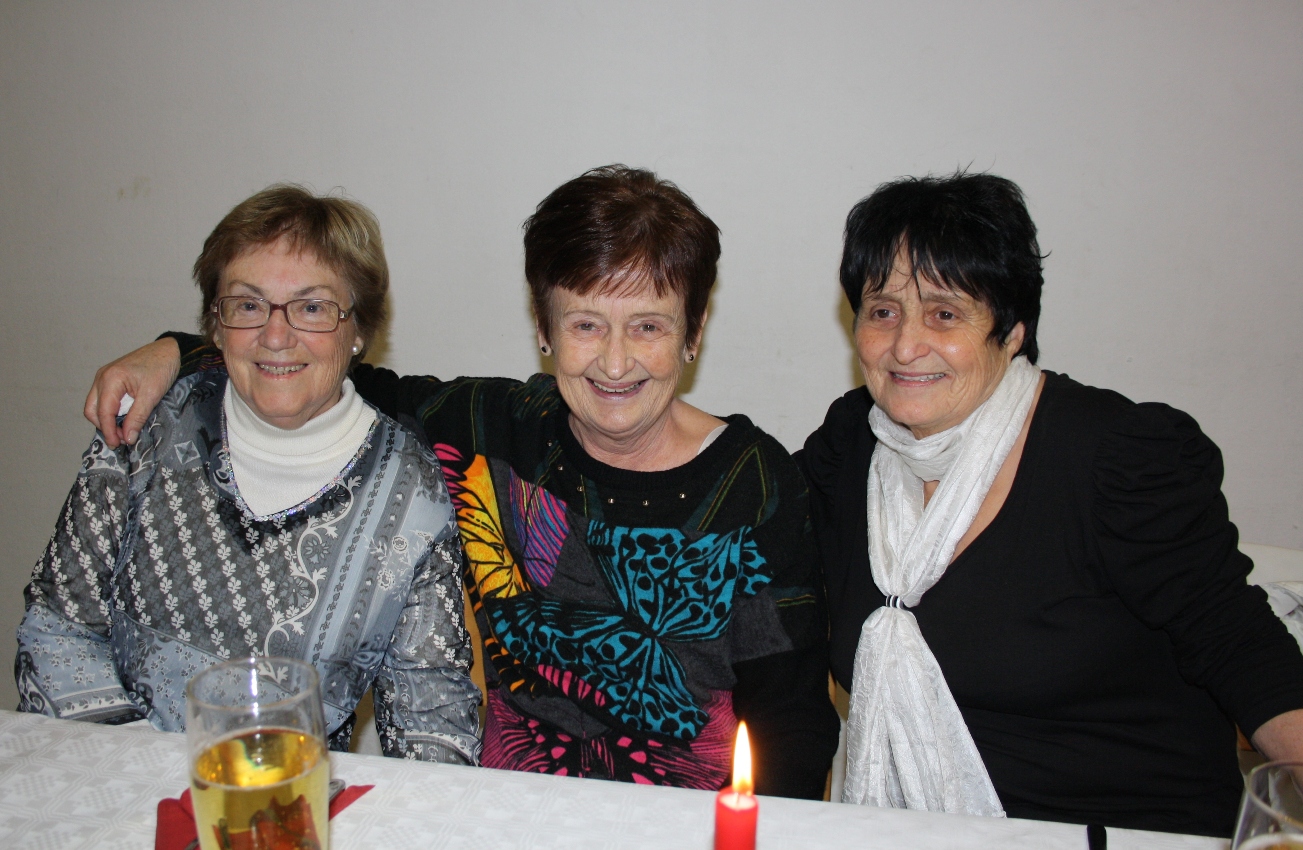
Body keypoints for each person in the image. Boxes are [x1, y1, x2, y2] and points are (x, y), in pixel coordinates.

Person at [81, 166, 841, 798]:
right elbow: (314, 364)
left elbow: (792, 724)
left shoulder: (753, 482)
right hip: (503, 811)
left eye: (647, 325)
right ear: (542, 329)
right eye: (584, 324)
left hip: (685, 822)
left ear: (694, 332)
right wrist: (177, 349)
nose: (615, 362)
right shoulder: (489, 430)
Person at [798, 172, 1303, 835]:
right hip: (917, 833)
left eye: (944, 313)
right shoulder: (851, 447)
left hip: (1125, 831)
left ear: (1011, 330)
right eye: (882, 311)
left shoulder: (1115, 458)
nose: (905, 346)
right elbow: (746, 539)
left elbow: (1238, 644)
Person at [18, 185, 481, 765]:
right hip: (115, 780)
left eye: (312, 308)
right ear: (216, 325)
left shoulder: (412, 495)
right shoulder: (145, 430)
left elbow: (431, 719)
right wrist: (151, 778)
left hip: (285, 796)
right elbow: (57, 631)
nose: (276, 336)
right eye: (247, 305)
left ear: (359, 330)